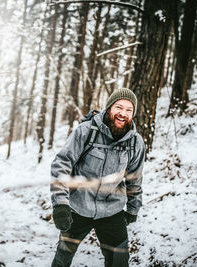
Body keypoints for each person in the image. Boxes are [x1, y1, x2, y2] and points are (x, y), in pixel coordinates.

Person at [50, 88, 145, 267]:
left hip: (112, 211)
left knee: (119, 262)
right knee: (63, 258)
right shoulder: (87, 132)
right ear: (109, 108)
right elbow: (61, 164)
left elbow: (135, 178)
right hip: (78, 207)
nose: (123, 114)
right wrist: (60, 203)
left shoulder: (135, 143)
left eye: (128, 110)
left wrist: (133, 208)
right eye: (119, 107)